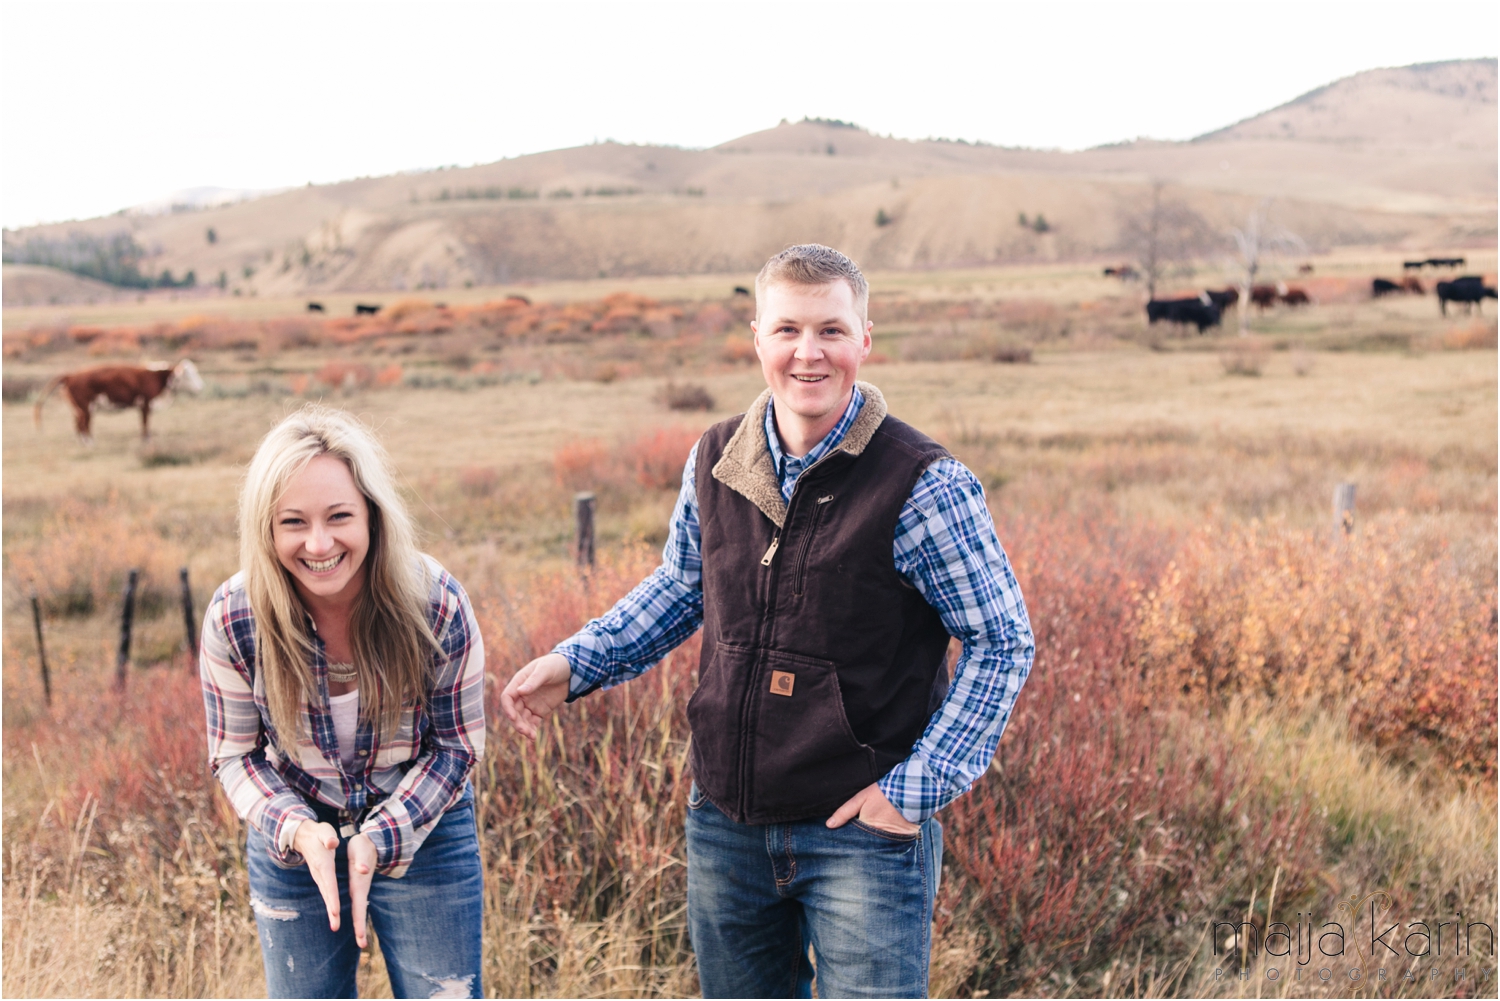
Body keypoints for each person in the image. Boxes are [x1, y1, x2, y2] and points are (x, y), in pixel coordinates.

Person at [502, 244, 1034, 998]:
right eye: (786, 330)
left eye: (830, 331)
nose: (807, 353)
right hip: (726, 824)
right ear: (757, 337)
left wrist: (911, 791)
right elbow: (682, 587)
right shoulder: (716, 457)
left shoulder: (922, 482)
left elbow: (1002, 640)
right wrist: (576, 662)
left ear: (864, 340)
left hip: (857, 832)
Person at [199, 405, 485, 999]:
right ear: (265, 530)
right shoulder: (235, 617)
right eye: (293, 523)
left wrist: (381, 836)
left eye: (339, 517)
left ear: (374, 518)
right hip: (294, 837)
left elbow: (456, 747)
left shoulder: (436, 606)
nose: (319, 543)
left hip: (424, 829)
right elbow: (236, 755)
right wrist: (299, 830)